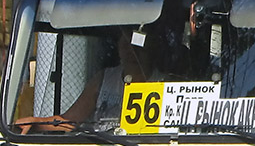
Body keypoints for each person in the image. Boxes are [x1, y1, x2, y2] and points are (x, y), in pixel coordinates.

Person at [14, 26, 164, 133]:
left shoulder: (164, 84)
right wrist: (35, 123)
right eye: (126, 46)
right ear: (119, 48)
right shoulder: (103, 79)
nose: (131, 53)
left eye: (138, 48)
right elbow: (69, 121)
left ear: (151, 49)